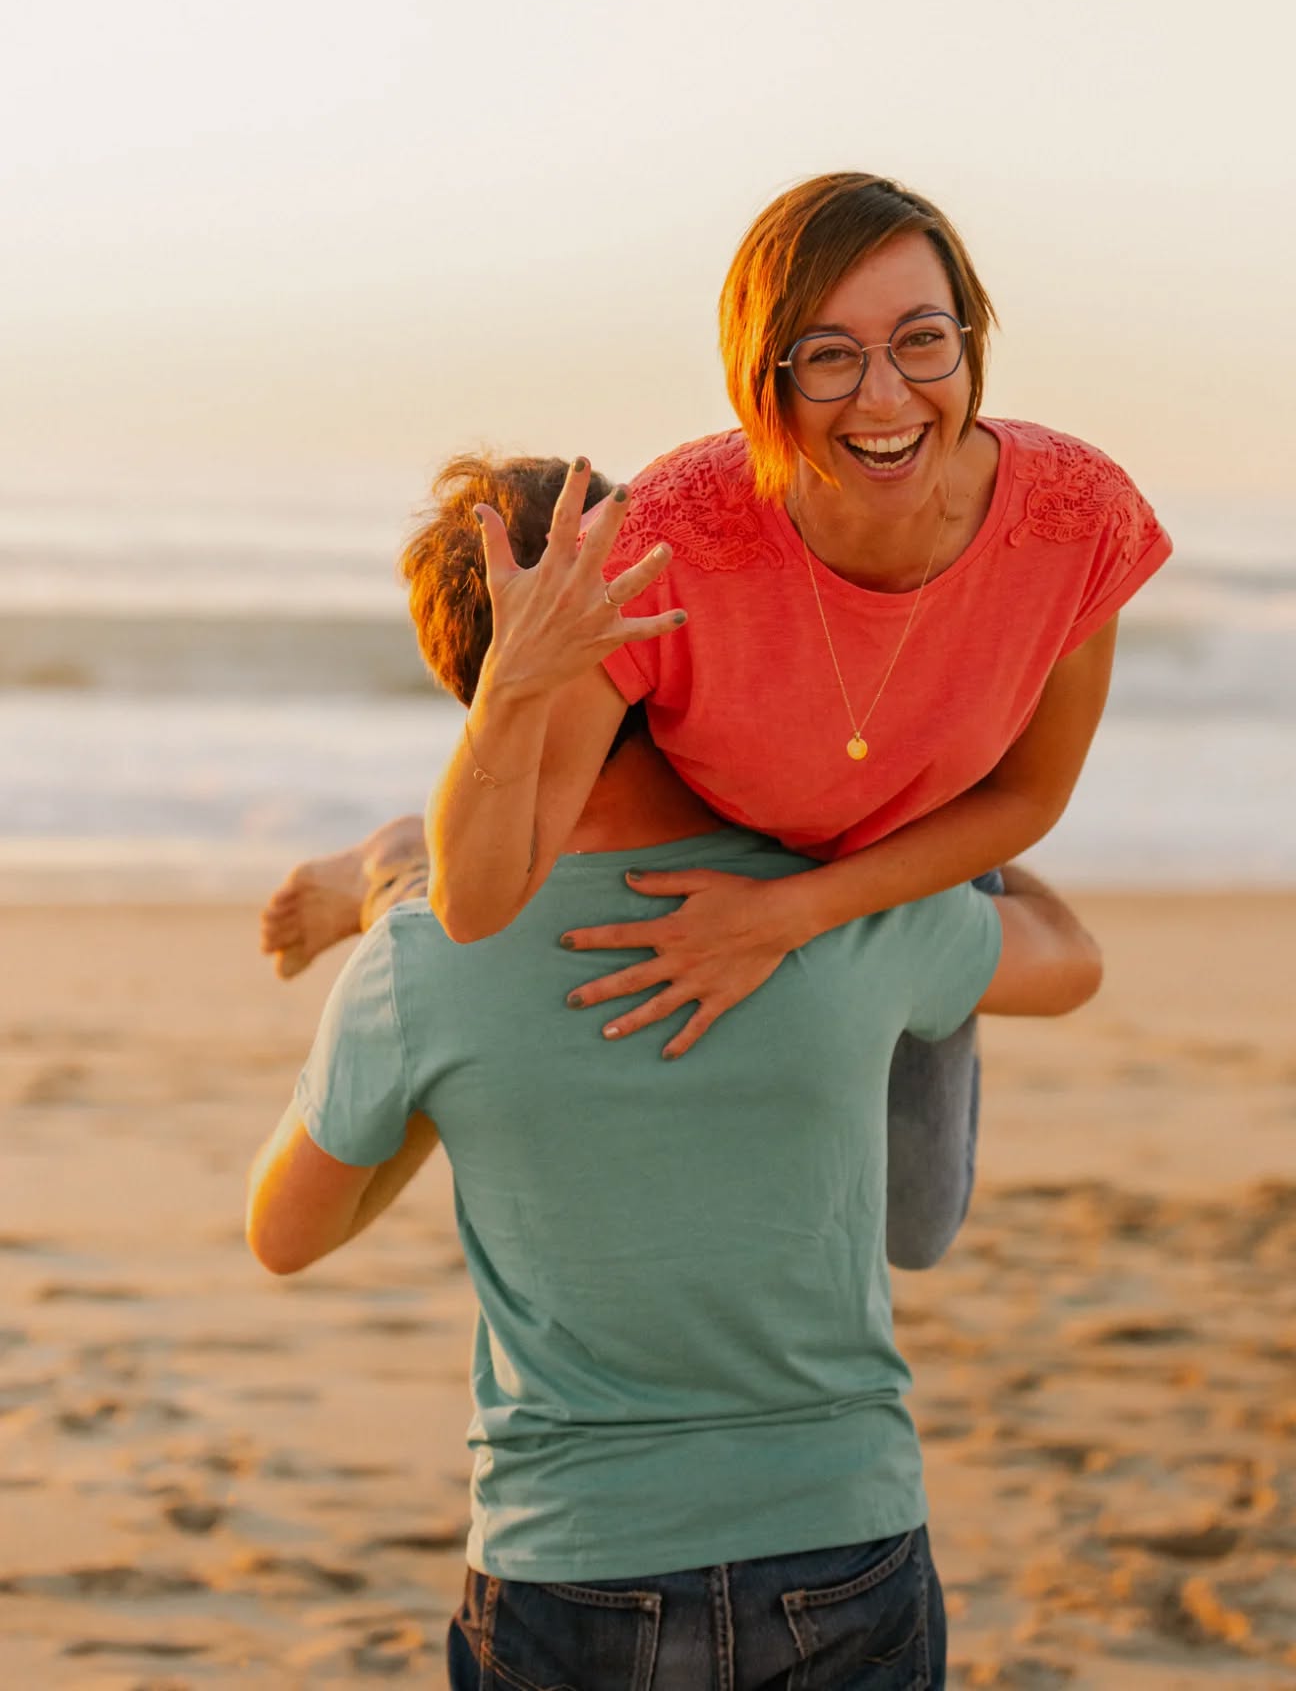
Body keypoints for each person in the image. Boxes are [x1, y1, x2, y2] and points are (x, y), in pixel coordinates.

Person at [247, 459, 1103, 1688]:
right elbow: (1070, 961)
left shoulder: (425, 960)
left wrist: (444, 1071)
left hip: (567, 1563)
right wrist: (905, 828)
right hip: (841, 1540)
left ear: (463, 678)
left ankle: (389, 853)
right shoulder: (826, 903)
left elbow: (285, 1233)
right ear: (686, 614)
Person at [265, 171, 1169, 1266]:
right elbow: (477, 906)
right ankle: (395, 862)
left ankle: (941, 892)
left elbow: (1029, 794)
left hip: (919, 836)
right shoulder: (668, 537)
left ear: (970, 341)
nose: (884, 397)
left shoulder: (1078, 517)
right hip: (716, 818)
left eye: (923, 339)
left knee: (913, 1226)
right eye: (830, 355)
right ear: (763, 377)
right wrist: (508, 695)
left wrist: (799, 916)